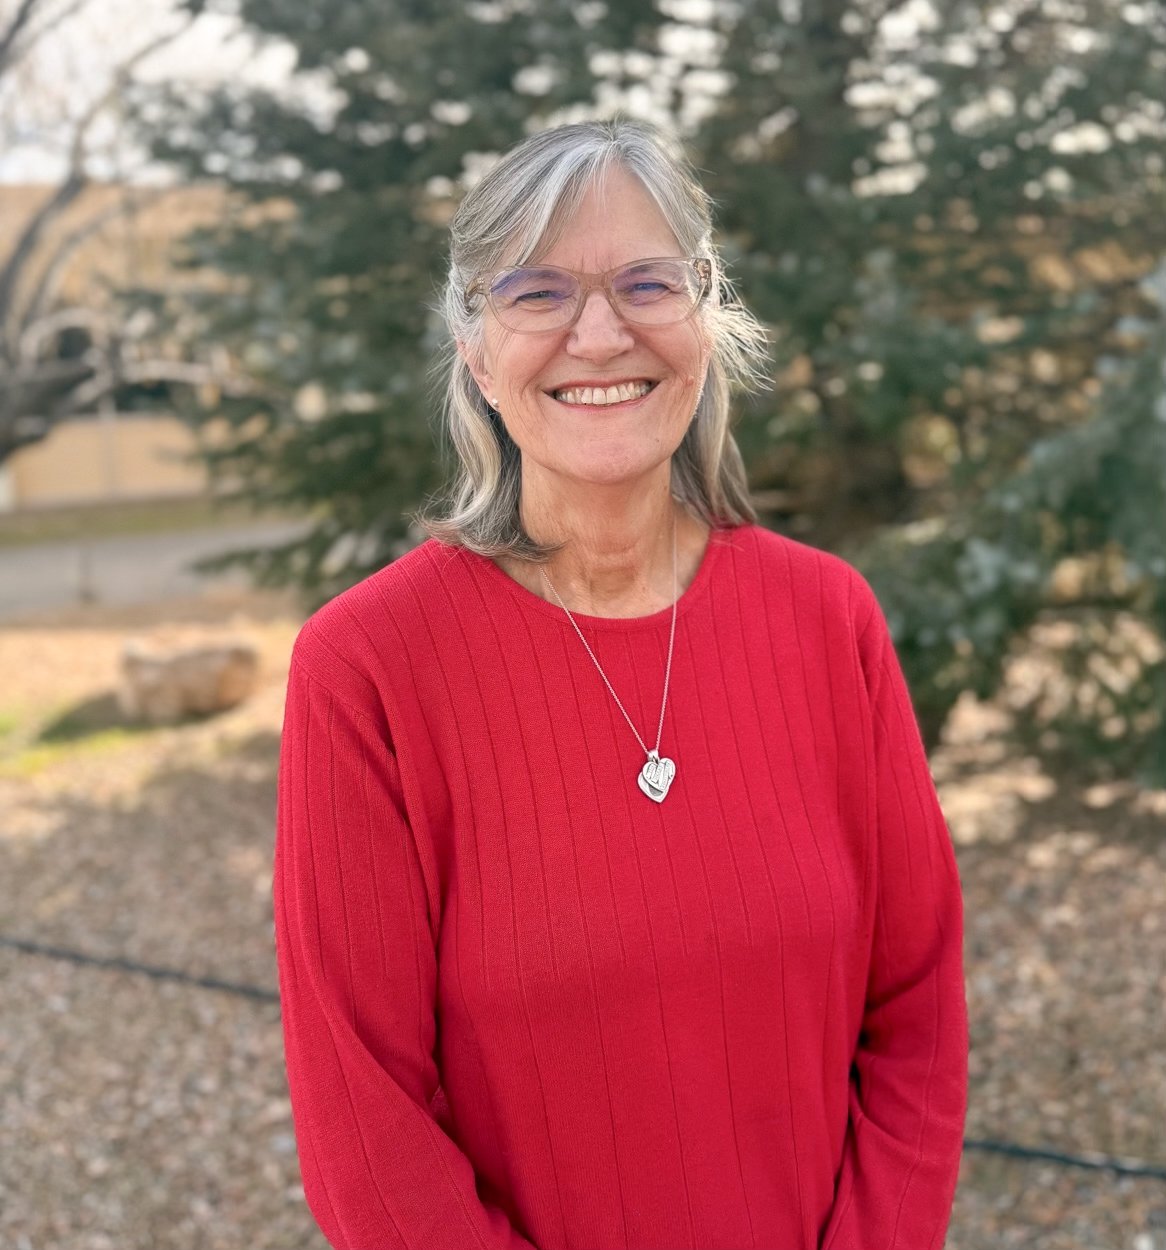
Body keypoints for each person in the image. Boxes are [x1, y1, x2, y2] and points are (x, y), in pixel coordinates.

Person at [273, 118, 968, 1250]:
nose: (599, 334)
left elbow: (917, 1013)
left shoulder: (826, 617)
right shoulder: (368, 669)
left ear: (704, 316)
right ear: (474, 345)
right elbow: (366, 1120)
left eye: (645, 282)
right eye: (537, 292)